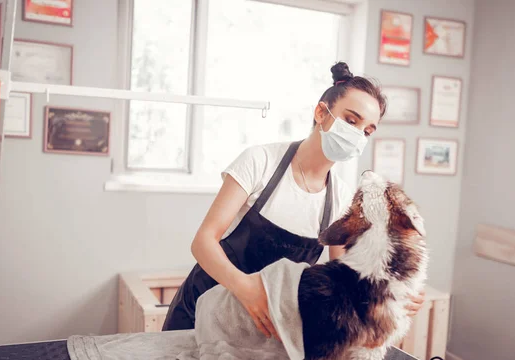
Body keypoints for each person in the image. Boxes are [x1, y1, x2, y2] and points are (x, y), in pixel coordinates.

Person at [162, 62, 425, 337]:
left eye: (367, 131)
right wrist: (246, 289)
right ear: (321, 112)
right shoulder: (260, 161)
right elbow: (203, 242)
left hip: (263, 326)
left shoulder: (341, 199)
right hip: (200, 311)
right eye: (350, 120)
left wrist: (390, 295)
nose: (358, 134)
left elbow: (344, 276)